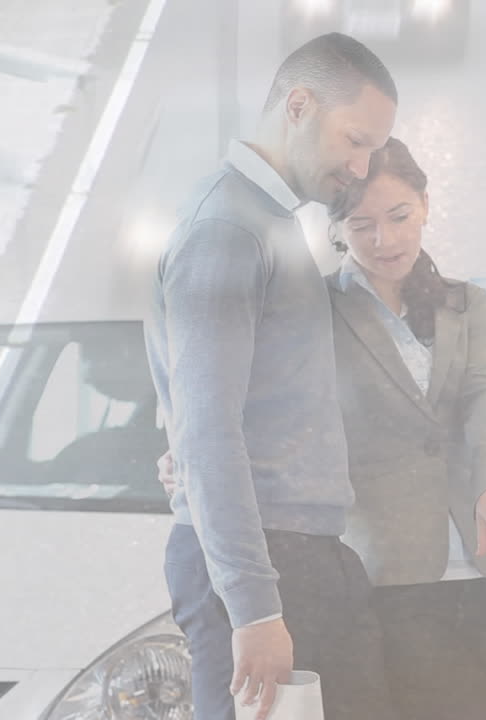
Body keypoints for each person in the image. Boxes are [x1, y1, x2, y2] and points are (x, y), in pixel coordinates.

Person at [160, 137, 486, 719]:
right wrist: (181, 453)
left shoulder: (466, 303)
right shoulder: (317, 309)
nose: (386, 240)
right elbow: (252, 395)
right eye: (363, 225)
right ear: (336, 229)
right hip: (383, 569)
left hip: (480, 566)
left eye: (400, 216)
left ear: (426, 205)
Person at [143, 33, 399, 720]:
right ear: (297, 105)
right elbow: (207, 428)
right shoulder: (228, 229)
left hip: (300, 553)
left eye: (372, 148)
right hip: (264, 565)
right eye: (354, 140)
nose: (361, 165)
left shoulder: (272, 223)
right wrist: (253, 609)